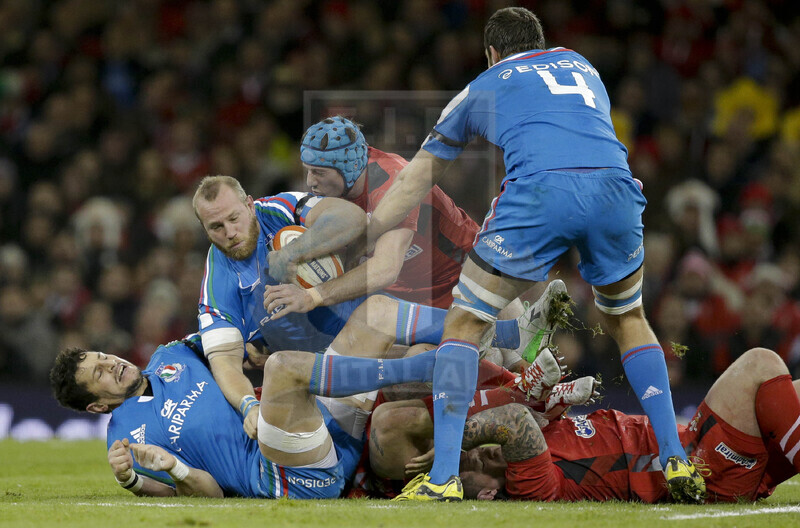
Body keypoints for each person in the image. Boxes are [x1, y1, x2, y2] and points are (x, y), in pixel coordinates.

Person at [364, 6, 701, 502]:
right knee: (629, 317)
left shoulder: (483, 84)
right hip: (616, 190)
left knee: (465, 323)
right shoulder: (582, 65)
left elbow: (418, 175)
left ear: (491, 53)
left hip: (542, 193)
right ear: (541, 43)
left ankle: (442, 480)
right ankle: (674, 457)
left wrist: (369, 228)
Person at [193, 175, 562, 440]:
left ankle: (530, 384)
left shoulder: (279, 210)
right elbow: (224, 360)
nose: (229, 233)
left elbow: (349, 219)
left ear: (248, 204)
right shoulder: (218, 279)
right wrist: (247, 407)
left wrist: (292, 254)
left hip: (368, 336)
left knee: (446, 329)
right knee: (413, 346)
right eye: (215, 227)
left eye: (233, 219)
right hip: (327, 379)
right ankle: (519, 377)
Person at [48, 320, 565, 498]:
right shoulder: (128, 436)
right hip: (280, 475)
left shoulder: (171, 355)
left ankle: (518, 372)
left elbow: (234, 354)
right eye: (97, 373)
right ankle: (432, 368)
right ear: (96, 404)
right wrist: (163, 470)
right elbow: (206, 492)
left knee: (378, 321)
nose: (110, 364)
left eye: (102, 356)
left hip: (315, 433)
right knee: (286, 371)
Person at [367, 346, 800, 503]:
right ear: (486, 490)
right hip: (701, 468)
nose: (478, 450)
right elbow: (513, 423)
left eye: (470, 450)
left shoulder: (537, 447)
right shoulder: (536, 486)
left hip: (695, 450)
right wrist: (451, 443)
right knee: (760, 364)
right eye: (475, 462)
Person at [265, 115, 478, 316]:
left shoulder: (392, 182)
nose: (310, 182)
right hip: (407, 292)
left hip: (462, 276)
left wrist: (312, 296)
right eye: (308, 170)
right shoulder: (335, 190)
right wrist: (289, 253)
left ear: (351, 168)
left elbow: (385, 269)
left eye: (319, 172)